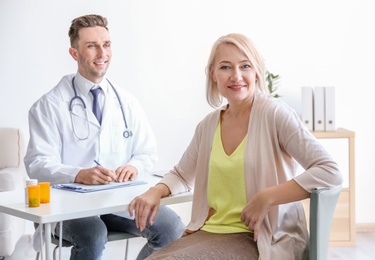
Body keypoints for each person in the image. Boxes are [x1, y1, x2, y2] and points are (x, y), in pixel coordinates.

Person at [128, 33, 343, 260]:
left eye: (245, 66)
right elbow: (182, 175)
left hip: (259, 238)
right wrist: (155, 191)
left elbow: (329, 171)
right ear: (213, 74)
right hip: (209, 232)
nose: (236, 76)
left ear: (256, 71)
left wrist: (267, 197)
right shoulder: (208, 125)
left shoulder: (275, 115)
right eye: (225, 67)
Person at [24, 14, 185, 260]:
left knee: (171, 226)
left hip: (118, 202)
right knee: (92, 233)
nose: (102, 53)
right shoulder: (49, 105)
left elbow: (147, 152)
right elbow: (37, 163)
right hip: (66, 207)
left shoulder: (126, 102)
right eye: (92, 46)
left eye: (106, 44)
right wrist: (78, 174)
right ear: (74, 53)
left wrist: (133, 166)